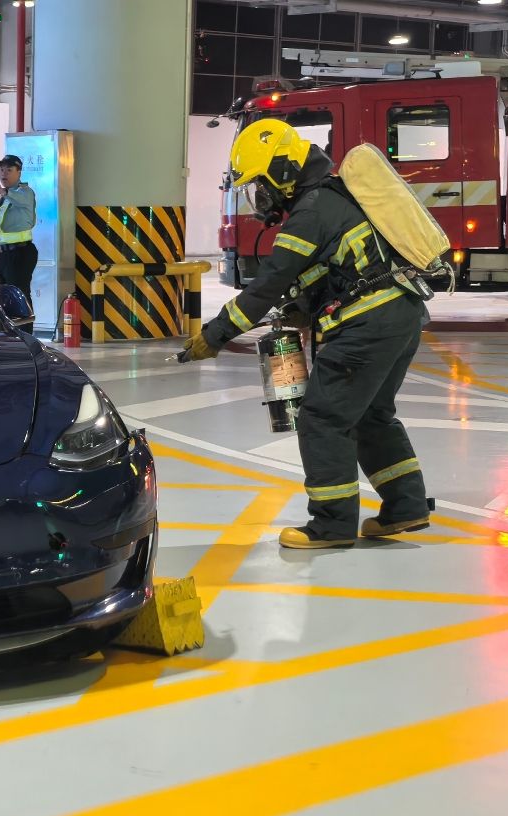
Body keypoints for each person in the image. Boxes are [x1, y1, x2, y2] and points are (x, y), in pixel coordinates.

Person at [181, 118, 431, 550]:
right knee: (371, 415)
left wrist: (215, 335)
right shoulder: (332, 198)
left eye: (260, 185)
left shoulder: (310, 212)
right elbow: (335, 268)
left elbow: (267, 284)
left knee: (322, 417)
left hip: (367, 325)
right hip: (401, 316)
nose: (259, 197)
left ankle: (331, 525)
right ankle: (405, 506)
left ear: (282, 171)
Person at [0, 154, 37, 306]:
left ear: (19, 172)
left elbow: (20, 199)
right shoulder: (4, 197)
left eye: (9, 170)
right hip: (3, 254)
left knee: (19, 295)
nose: (4, 174)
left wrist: (5, 193)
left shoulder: (25, 192)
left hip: (20, 253)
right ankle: (9, 322)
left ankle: (25, 323)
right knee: (4, 296)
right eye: (1, 170)